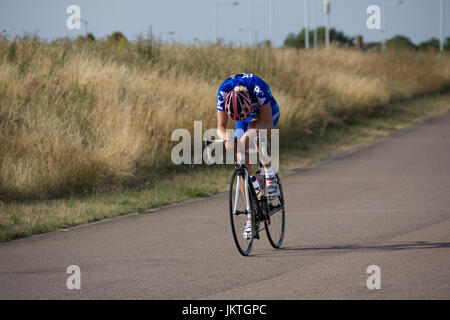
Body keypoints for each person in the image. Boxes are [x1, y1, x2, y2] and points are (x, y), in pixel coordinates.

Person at [216, 73, 280, 239]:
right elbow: (220, 127)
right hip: (243, 116)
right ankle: (251, 215)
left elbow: (267, 123)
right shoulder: (223, 92)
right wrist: (227, 139)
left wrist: (248, 136)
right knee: (240, 154)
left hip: (267, 113)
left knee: (254, 131)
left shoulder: (257, 87)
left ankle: (269, 174)